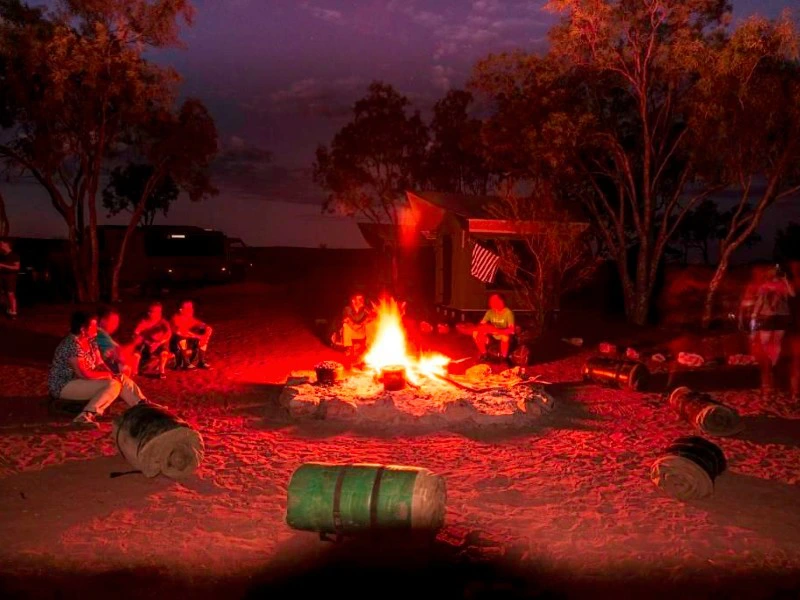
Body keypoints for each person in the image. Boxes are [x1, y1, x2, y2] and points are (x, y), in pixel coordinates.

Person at [48, 311, 148, 427]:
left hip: (82, 381)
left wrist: (113, 374)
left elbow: (100, 363)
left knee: (120, 378)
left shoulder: (91, 341)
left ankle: (143, 405)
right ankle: (86, 415)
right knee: (113, 385)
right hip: (65, 385)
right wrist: (108, 376)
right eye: (93, 326)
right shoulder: (72, 344)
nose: (96, 328)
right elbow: (82, 373)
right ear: (82, 329)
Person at [750, 264, 795, 397]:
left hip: (781, 316)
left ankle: (773, 365)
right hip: (767, 315)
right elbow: (760, 300)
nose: (775, 273)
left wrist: (786, 280)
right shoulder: (765, 285)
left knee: (776, 342)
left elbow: (792, 294)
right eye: (773, 272)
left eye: (776, 272)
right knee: (765, 342)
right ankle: (767, 367)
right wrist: (754, 314)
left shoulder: (783, 284)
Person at [133, 302, 173, 379]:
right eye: (151, 311)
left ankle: (162, 371)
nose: (150, 313)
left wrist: (157, 343)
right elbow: (136, 333)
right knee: (137, 349)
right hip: (147, 344)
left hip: (159, 344)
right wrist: (147, 342)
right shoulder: (144, 321)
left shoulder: (163, 322)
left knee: (164, 349)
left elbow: (169, 333)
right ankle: (135, 370)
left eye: (158, 312)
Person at [170, 300, 213, 370]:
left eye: (191, 308)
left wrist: (206, 333)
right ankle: (186, 363)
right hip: (175, 347)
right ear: (181, 310)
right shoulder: (176, 318)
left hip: (188, 345)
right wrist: (199, 337)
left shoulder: (190, 318)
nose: (191, 310)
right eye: (188, 308)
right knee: (181, 336)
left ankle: (201, 361)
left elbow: (204, 326)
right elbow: (179, 331)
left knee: (204, 331)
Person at [473, 293, 516, 363]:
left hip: (503, 335)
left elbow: (511, 329)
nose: (491, 303)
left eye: (494, 301)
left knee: (505, 337)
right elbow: (481, 324)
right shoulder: (490, 312)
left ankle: (504, 358)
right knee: (477, 334)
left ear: (501, 301)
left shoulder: (508, 313)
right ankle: (485, 355)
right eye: (491, 301)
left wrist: (498, 332)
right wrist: (476, 330)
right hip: (493, 336)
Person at [96, 306, 136, 375]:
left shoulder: (101, 334)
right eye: (113, 322)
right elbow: (121, 354)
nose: (115, 325)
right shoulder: (100, 334)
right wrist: (133, 344)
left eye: (117, 322)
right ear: (103, 320)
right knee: (125, 365)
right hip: (98, 368)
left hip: (98, 366)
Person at [0, 238, 20, 319]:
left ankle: (14, 312)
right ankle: (8, 309)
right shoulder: (2, 256)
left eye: (2, 244)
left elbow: (17, 267)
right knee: (3, 294)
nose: (0, 245)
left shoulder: (14, 255)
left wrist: (3, 266)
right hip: (2, 276)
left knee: (10, 294)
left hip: (10, 277)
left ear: (7, 245)